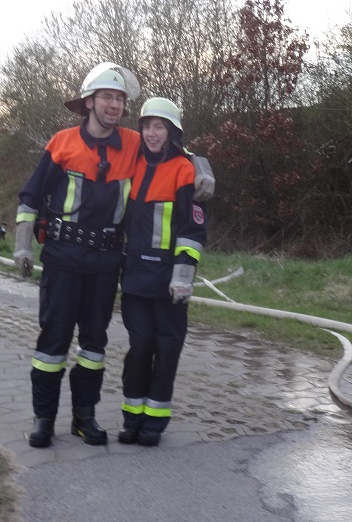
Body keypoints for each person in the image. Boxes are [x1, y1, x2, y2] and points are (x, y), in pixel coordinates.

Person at [13, 62, 212, 449]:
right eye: (107, 97)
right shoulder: (62, 143)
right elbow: (30, 196)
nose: (114, 105)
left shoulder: (133, 142)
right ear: (89, 102)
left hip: (105, 263)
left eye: (120, 99)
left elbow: (174, 148)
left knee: (94, 346)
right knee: (52, 342)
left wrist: (203, 170)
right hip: (63, 257)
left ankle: (84, 419)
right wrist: (22, 244)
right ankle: (44, 419)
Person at [117, 98, 207, 447]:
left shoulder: (186, 170)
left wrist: (183, 278)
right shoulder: (133, 164)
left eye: (159, 127)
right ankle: (132, 417)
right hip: (135, 277)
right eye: (147, 126)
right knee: (140, 346)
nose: (152, 133)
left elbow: (192, 230)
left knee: (166, 349)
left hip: (170, 282)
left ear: (172, 132)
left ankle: (155, 422)